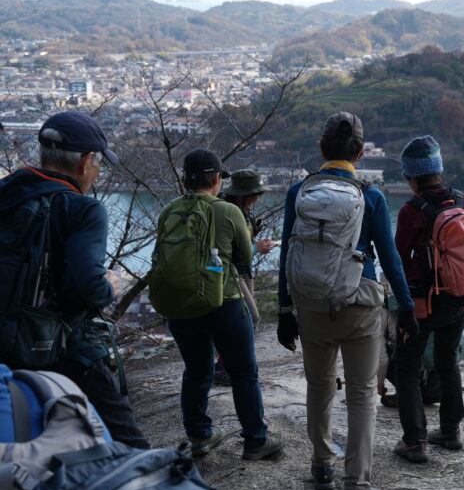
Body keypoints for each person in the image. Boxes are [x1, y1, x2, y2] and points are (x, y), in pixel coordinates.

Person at [276, 112, 417, 490]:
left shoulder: (299, 192)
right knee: (360, 394)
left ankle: (322, 465)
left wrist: (285, 310)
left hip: (311, 305)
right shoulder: (371, 197)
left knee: (319, 386)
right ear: (360, 152)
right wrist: (407, 308)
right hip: (360, 305)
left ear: (321, 148)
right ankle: (356, 488)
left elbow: (287, 253)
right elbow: (390, 259)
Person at [0, 111, 149, 448]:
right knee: (131, 448)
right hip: (64, 347)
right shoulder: (82, 208)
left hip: (6, 350)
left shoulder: (7, 192)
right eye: (99, 163)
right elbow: (87, 287)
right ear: (85, 162)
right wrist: (110, 285)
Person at [161, 149, 282, 460]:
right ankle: (256, 440)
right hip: (223, 302)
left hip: (180, 305)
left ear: (185, 179)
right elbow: (245, 256)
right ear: (216, 178)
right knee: (244, 372)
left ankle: (200, 436)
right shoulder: (228, 211)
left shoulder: (170, 210)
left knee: (196, 371)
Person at [392, 135, 464, 462]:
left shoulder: (412, 210)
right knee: (447, 359)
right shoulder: (463, 201)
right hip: (459, 298)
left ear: (411, 175)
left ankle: (415, 441)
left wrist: (401, 307)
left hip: (424, 302)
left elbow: (399, 260)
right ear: (439, 169)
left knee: (407, 366)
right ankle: (451, 431)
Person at [215, 169, 278, 386]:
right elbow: (227, 248)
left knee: (241, 320)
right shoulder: (227, 211)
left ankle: (227, 364)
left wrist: (256, 244)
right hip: (231, 272)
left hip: (244, 270)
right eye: (254, 195)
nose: (257, 199)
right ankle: (229, 367)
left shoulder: (243, 211)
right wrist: (256, 247)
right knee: (250, 317)